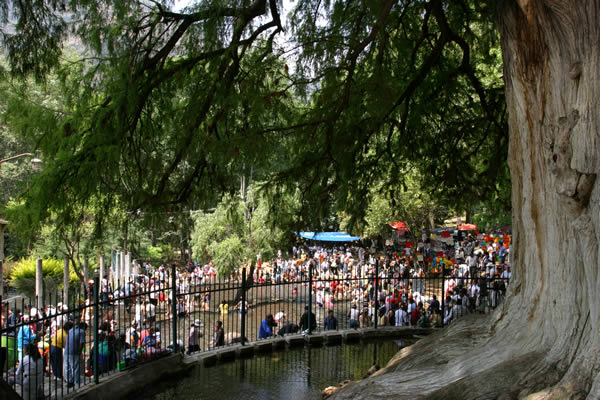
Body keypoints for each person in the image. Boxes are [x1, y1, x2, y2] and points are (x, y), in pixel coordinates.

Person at [65, 321, 86, 388]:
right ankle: (76, 382)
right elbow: (81, 343)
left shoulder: (71, 330)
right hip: (74, 352)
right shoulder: (82, 331)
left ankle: (69, 381)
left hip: (66, 351)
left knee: (67, 367)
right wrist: (79, 352)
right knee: (75, 368)